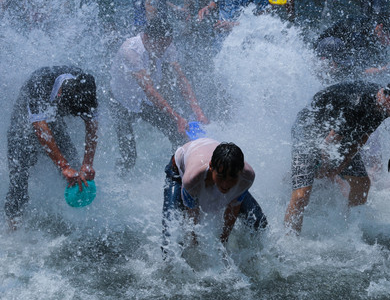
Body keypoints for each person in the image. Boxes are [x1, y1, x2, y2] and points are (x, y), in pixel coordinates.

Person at [284, 81, 390, 234]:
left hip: (335, 134)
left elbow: (362, 137)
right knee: (302, 195)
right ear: (387, 97)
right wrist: (326, 168)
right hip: (308, 130)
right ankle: (289, 239)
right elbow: (328, 144)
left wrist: (339, 167)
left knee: (362, 183)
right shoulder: (358, 102)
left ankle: (353, 230)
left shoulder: (383, 105)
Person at [5, 66, 99, 229]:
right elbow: (40, 128)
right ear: (61, 95)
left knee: (76, 170)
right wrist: (63, 166)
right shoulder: (39, 83)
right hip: (23, 123)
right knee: (20, 175)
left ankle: (74, 223)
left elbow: (92, 124)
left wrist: (87, 163)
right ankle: (13, 225)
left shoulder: (85, 85)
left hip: (52, 121)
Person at [109, 18, 209, 170]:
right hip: (121, 101)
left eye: (167, 45)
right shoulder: (130, 50)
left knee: (178, 136)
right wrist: (176, 116)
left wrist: (198, 111)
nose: (164, 50)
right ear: (147, 38)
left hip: (144, 101)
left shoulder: (166, 44)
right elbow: (149, 89)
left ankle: (176, 176)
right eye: (161, 45)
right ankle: (121, 181)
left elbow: (181, 79)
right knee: (129, 157)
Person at [162, 138, 267, 255]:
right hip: (178, 170)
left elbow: (233, 208)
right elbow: (192, 216)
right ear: (211, 166)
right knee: (170, 234)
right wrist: (194, 245)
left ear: (240, 172)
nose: (226, 184)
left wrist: (223, 242)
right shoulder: (192, 180)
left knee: (259, 223)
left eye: (232, 178)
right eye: (221, 177)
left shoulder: (246, 177)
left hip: (211, 157)